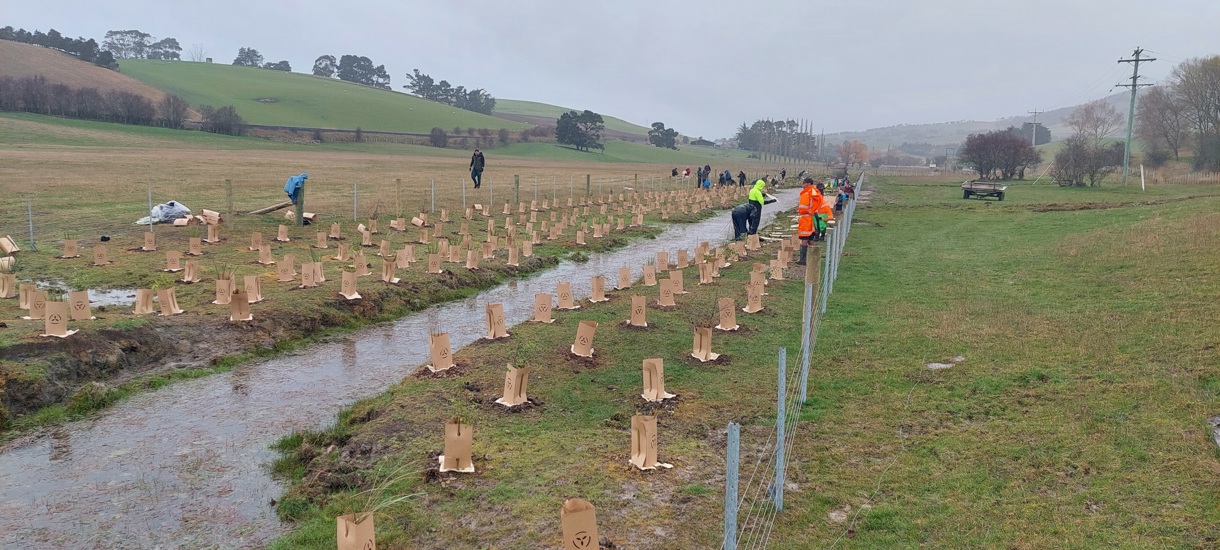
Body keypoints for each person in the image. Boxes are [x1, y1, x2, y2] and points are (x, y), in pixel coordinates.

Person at [795, 177, 821, 265]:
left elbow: (805, 206)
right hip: (810, 217)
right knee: (810, 239)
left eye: (804, 183)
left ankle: (803, 259)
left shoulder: (809, 192)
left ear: (808, 184)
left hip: (807, 218)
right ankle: (814, 258)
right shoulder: (812, 191)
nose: (802, 185)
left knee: (804, 238)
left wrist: (803, 211)